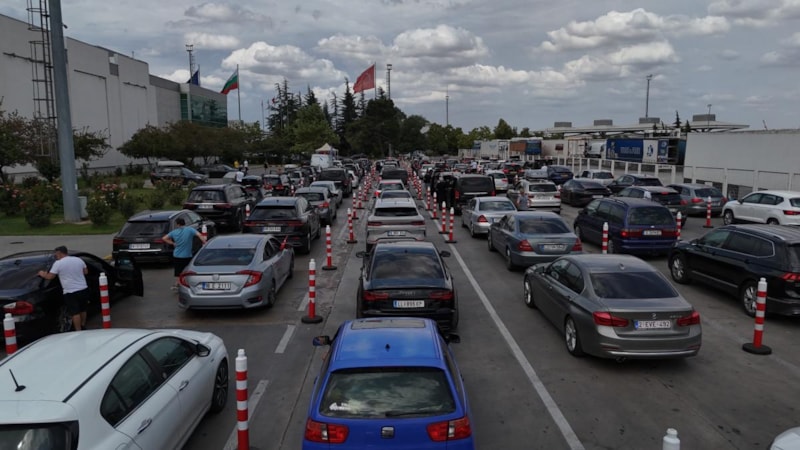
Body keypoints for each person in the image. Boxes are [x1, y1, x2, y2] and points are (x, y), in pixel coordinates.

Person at [38, 246, 89, 331]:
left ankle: (78, 330)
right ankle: (83, 325)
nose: (55, 256)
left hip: (70, 291)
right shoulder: (78, 260)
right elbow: (86, 272)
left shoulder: (58, 263)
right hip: (83, 288)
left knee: (75, 312)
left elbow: (50, 276)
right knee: (83, 309)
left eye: (56, 254)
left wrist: (42, 274)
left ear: (60, 253)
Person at [163, 218, 207, 289]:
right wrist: (205, 243)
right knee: (188, 270)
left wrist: (173, 243)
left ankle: (178, 284)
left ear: (177, 224)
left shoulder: (174, 232)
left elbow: (164, 238)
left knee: (179, 272)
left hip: (177, 255)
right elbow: (199, 235)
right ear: (184, 223)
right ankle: (186, 284)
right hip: (187, 255)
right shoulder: (190, 230)